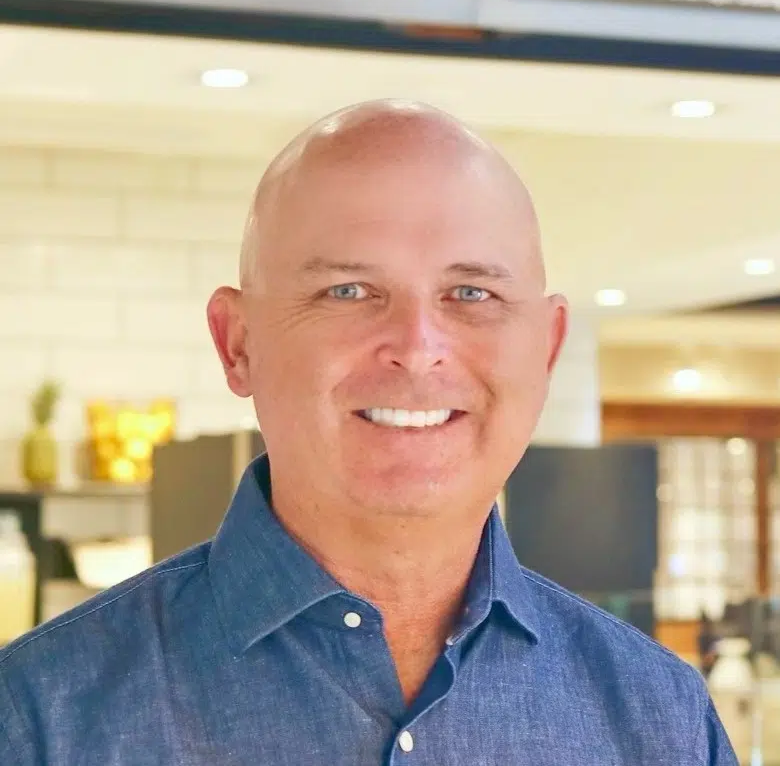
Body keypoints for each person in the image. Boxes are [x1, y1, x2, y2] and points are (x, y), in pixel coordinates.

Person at [0, 100, 736, 765]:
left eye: (471, 293)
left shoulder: (661, 720)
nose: (417, 348)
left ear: (546, 349)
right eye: (348, 291)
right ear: (238, 344)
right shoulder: (42, 716)